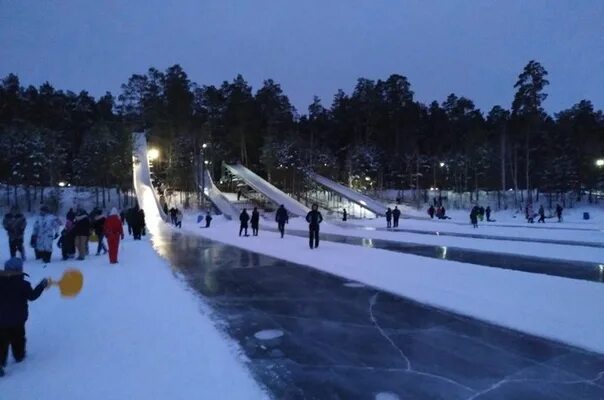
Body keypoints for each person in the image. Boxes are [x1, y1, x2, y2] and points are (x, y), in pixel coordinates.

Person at [0, 257, 48, 377]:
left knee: (1, 343)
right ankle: (19, 355)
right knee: (18, 338)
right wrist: (41, 286)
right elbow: (32, 296)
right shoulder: (22, 284)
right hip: (17, 320)